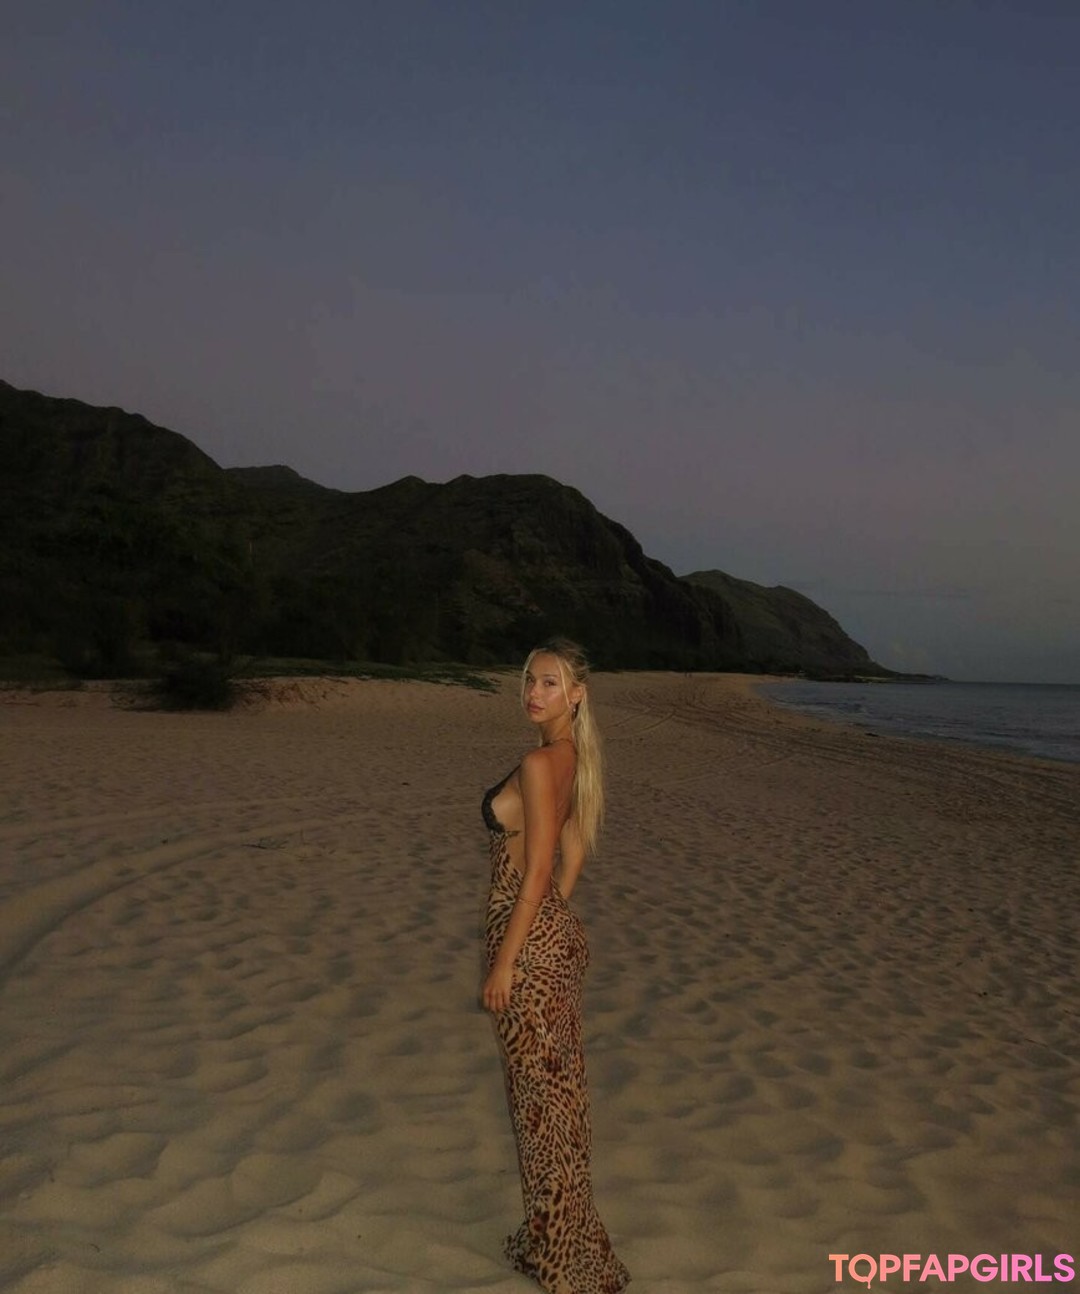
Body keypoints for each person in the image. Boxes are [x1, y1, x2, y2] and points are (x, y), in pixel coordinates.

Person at [481, 638, 630, 1293]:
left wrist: (508, 962)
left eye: (549, 682)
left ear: (576, 694)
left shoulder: (540, 762)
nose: (533, 693)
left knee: (540, 1110)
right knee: (561, 1101)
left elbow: (539, 868)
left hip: (527, 944)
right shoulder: (573, 760)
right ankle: (565, 1244)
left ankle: (563, 1261)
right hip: (552, 939)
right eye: (529, 681)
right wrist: (550, 923)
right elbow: (572, 856)